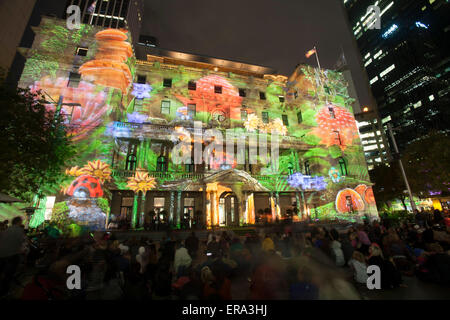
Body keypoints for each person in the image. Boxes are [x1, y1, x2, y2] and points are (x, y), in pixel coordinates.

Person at [0, 216, 26, 297]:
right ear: (19, 222)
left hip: (1, 255)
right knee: (8, 275)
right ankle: (4, 292)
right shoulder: (20, 231)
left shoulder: (6, 230)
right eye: (21, 222)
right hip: (12, 256)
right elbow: (22, 243)